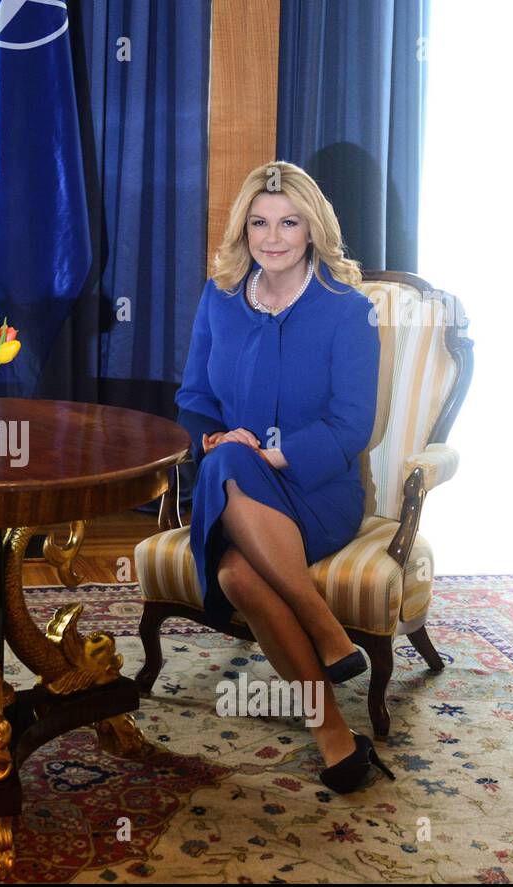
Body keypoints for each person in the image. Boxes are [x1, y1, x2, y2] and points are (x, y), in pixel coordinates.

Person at [175, 160, 394, 794]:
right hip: (233, 482)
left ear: (311, 230)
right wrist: (213, 437)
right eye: (260, 223)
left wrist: (278, 456)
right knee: (235, 562)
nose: (273, 238)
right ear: (244, 230)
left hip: (316, 491)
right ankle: (333, 724)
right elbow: (193, 400)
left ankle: (321, 641)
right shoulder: (219, 299)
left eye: (289, 223)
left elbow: (353, 425)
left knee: (235, 488)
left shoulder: (346, 310)